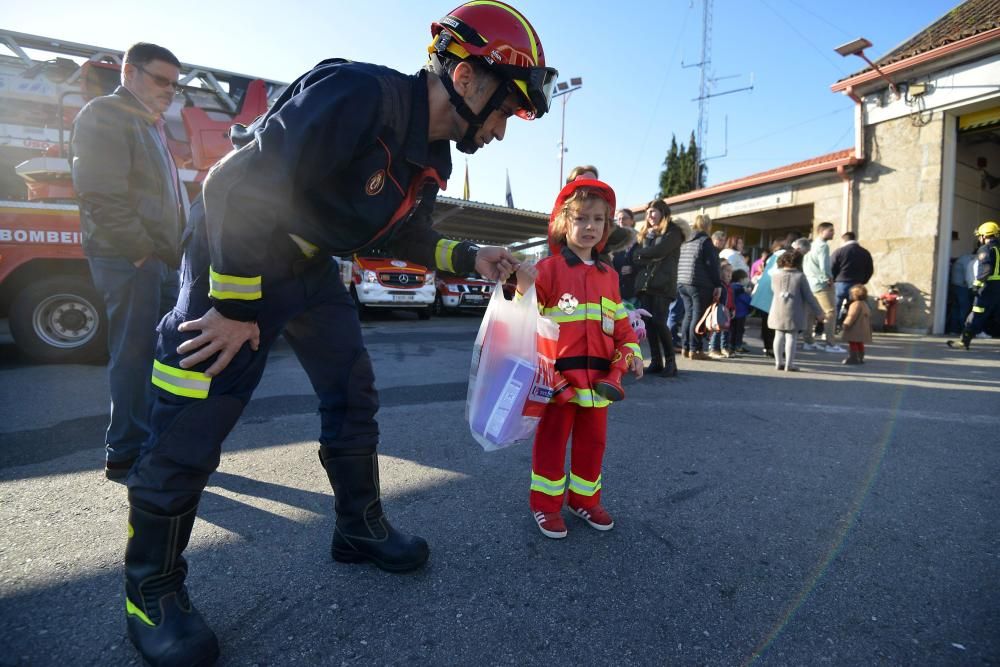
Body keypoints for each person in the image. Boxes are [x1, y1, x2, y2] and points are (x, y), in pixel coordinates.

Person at [121, 4, 558, 665]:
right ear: (467, 77)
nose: (503, 129)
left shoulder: (429, 156)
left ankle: (358, 526)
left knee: (353, 391)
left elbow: (404, 233)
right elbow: (235, 184)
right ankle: (149, 588)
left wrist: (473, 258)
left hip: (308, 264)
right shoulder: (359, 94)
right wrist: (236, 304)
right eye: (506, 109)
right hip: (235, 253)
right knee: (194, 407)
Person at [70, 42, 186, 481]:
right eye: (161, 80)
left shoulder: (149, 124)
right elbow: (99, 191)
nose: (170, 90)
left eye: (175, 84)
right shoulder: (106, 114)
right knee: (135, 354)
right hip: (130, 258)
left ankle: (150, 444)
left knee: (159, 355)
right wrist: (140, 251)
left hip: (155, 258)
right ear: (130, 73)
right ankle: (126, 451)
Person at [515, 179, 642, 539]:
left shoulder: (609, 276)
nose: (590, 226)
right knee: (552, 443)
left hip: (601, 384)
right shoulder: (548, 271)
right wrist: (522, 287)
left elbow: (621, 327)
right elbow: (526, 321)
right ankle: (545, 505)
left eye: (598, 220)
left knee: (593, 444)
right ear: (562, 222)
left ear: (607, 226)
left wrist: (631, 353)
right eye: (581, 218)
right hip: (558, 383)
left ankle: (584, 499)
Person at [633, 200, 683, 375]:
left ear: (663, 212)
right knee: (649, 325)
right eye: (647, 214)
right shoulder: (647, 234)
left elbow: (659, 251)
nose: (649, 216)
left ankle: (671, 363)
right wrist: (644, 253)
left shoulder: (674, 232)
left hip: (663, 284)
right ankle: (656, 361)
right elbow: (635, 256)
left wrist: (643, 254)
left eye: (653, 212)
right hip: (647, 285)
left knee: (660, 322)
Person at [768, 250, 824, 372]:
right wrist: (819, 312)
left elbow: (773, 290)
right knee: (791, 337)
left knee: (778, 335)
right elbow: (809, 296)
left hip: (777, 309)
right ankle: (789, 364)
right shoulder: (800, 276)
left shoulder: (775, 275)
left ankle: (778, 362)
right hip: (795, 310)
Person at [677, 214, 723, 360]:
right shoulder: (705, 241)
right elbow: (712, 265)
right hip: (699, 284)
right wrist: (717, 284)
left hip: (683, 282)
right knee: (698, 316)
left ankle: (685, 347)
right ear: (708, 226)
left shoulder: (686, 240)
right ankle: (695, 350)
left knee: (688, 315)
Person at [948, 221, 1000, 350]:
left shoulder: (985, 249)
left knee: (975, 314)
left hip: (987, 288)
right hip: (998, 288)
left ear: (984, 236)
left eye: (979, 236)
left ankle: (964, 341)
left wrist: (977, 285)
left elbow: (986, 268)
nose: (979, 238)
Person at [802, 222, 844, 353]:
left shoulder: (810, 245)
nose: (833, 233)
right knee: (830, 312)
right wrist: (829, 278)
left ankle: (808, 341)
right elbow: (824, 266)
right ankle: (830, 344)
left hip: (809, 283)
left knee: (809, 313)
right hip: (822, 284)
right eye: (830, 230)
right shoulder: (823, 246)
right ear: (821, 231)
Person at [749, 240, 788, 357]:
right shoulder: (784, 255)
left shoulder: (772, 256)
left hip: (766, 290)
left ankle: (769, 348)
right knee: (773, 322)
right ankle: (772, 349)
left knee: (767, 321)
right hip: (773, 291)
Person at [830, 231, 874, 324]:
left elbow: (832, 267)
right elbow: (869, 269)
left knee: (836, 305)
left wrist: (833, 280)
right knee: (857, 306)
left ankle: (833, 327)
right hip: (857, 284)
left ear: (844, 240)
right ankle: (856, 326)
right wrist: (863, 281)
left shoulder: (839, 252)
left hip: (841, 283)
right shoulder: (864, 252)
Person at [610, 208, 639, 304]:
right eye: (618, 219)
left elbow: (646, 262)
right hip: (615, 288)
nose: (621, 221)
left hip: (634, 289)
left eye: (624, 218)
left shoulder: (640, 239)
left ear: (632, 221)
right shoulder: (612, 240)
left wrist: (633, 268)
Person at [707, 262, 736, 359]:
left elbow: (731, 300)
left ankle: (724, 348)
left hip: (727, 313)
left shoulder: (730, 287)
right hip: (719, 312)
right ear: (720, 272)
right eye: (727, 271)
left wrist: (733, 309)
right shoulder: (720, 286)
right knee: (717, 330)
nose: (730, 274)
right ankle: (713, 349)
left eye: (731, 272)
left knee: (726, 331)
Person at [841, 284, 872, 364]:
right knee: (859, 343)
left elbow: (851, 316)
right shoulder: (865, 304)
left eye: (851, 294)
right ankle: (860, 357)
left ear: (854, 295)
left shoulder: (855, 305)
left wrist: (846, 324)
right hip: (863, 328)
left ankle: (853, 357)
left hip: (855, 328)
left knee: (853, 342)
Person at [947, 248, 976, 334]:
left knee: (956, 308)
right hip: (961, 287)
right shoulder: (970, 259)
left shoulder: (964, 258)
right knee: (964, 309)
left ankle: (953, 329)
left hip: (955, 285)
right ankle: (963, 330)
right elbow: (968, 273)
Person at [730, 269, 752, 354]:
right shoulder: (741, 289)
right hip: (740, 313)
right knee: (739, 331)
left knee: (732, 330)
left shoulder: (732, 287)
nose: (748, 279)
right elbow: (747, 300)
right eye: (746, 277)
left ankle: (732, 345)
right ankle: (737, 346)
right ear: (741, 279)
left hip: (734, 313)